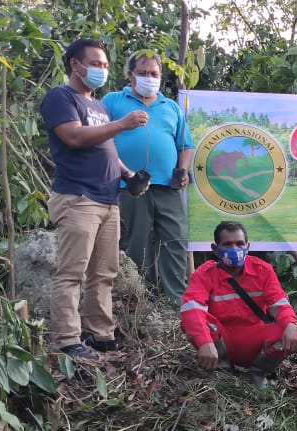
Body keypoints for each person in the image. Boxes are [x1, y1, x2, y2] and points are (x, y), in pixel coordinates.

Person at [41, 38, 148, 359]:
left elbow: (107, 150)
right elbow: (73, 137)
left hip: (108, 199)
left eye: (105, 65)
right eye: (96, 64)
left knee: (104, 274)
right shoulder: (61, 97)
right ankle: (67, 339)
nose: (102, 70)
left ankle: (101, 336)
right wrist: (122, 123)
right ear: (76, 65)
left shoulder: (98, 106)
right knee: (72, 273)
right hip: (77, 197)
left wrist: (129, 175)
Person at [102, 50, 194, 307]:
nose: (148, 78)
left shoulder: (170, 107)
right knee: (137, 241)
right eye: (142, 73)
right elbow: (101, 138)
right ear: (130, 75)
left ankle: (175, 300)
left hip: (168, 186)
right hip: (129, 185)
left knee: (175, 240)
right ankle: (142, 299)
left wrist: (182, 170)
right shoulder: (112, 101)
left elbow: (184, 144)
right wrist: (124, 172)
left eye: (154, 74)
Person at [180, 221, 297, 388]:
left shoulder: (262, 270)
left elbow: (278, 301)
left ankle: (258, 372)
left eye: (239, 244)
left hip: (257, 339)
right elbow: (191, 309)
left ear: (248, 246)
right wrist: (204, 342)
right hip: (222, 342)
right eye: (227, 244)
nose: (234, 249)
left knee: (289, 327)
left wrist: (291, 323)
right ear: (215, 249)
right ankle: (222, 371)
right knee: (195, 323)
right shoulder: (204, 274)